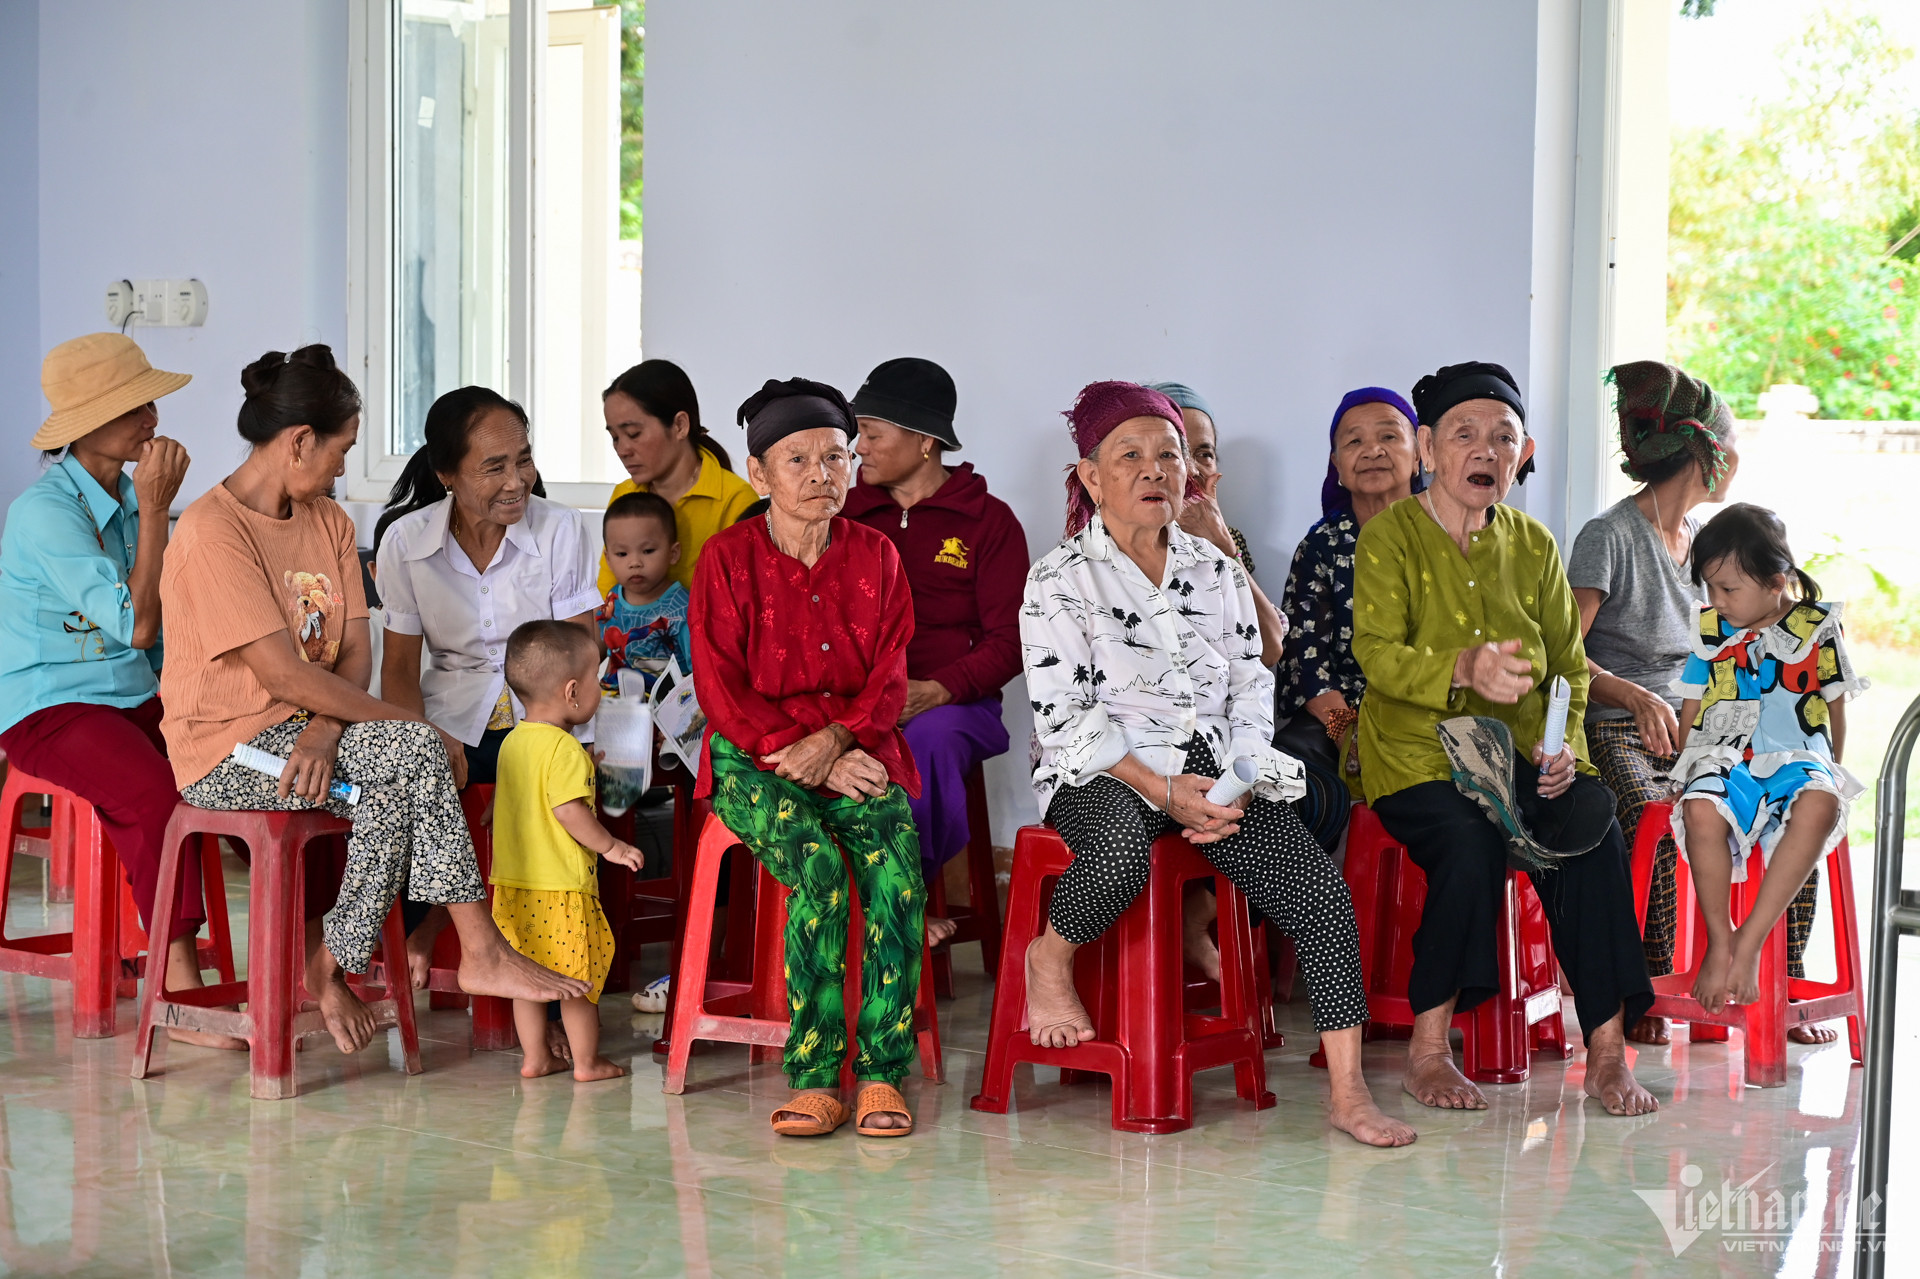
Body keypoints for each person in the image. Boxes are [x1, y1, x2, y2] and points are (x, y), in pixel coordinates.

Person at [158, 346, 587, 1055]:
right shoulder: (213, 532)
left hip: (311, 735)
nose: (342, 471)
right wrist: (410, 727)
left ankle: (328, 965)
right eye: (342, 451)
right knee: (417, 749)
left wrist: (327, 725)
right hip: (230, 749)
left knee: (400, 782)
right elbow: (282, 674)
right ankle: (470, 949)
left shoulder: (328, 521)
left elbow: (356, 653)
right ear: (301, 441)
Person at [1020, 380, 1413, 1148]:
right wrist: (1162, 789)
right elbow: (1067, 716)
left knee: (1321, 897)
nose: (1153, 469)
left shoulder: (1215, 569)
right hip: (1104, 769)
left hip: (1211, 769)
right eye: (1129, 456)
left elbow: (1250, 684)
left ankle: (1349, 1091)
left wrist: (1238, 775)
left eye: (1168, 455)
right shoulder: (1058, 579)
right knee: (1120, 849)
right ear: (1091, 477)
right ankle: (1050, 955)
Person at [1354, 360, 1657, 1117]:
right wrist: (1461, 668)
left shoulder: (1535, 545)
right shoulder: (1389, 537)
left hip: (1522, 759)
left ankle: (1608, 1052)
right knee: (1470, 839)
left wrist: (1563, 751)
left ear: (1523, 455)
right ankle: (1429, 1051)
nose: (1485, 451)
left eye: (1503, 437)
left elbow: (1569, 669)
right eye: (1465, 434)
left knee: (1594, 830)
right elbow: (1376, 654)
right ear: (1428, 449)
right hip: (1418, 757)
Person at [691, 378, 925, 1139]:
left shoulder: (877, 555)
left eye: (836, 457)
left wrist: (838, 742)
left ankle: (883, 1072)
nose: (822, 474)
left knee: (895, 869)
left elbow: (889, 676)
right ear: (759, 474)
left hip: (853, 745)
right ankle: (818, 1076)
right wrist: (802, 750)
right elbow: (720, 688)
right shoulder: (726, 559)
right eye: (798, 460)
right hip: (754, 757)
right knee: (818, 867)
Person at [1566, 362, 1825, 1047]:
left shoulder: (1713, 542)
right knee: (1653, 816)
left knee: (1793, 800)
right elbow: (1562, 652)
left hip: (1701, 724)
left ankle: (1778, 979)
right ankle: (1648, 987)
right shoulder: (1608, 536)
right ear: (1707, 450)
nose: (1737, 458)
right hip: (1619, 722)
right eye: (1731, 443)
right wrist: (1631, 694)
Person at [0, 334, 237, 1048]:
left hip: (135, 695)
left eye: (150, 402)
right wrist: (161, 510)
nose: (153, 417)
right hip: (51, 705)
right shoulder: (46, 513)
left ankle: (315, 954)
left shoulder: (131, 499)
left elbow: (163, 638)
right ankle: (177, 989)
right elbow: (137, 625)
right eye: (135, 406)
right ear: (87, 423)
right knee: (155, 794)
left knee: (255, 757)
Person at [371, 386, 601, 996]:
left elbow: (581, 653)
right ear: (446, 474)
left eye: (523, 460)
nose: (516, 481)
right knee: (404, 786)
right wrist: (422, 739)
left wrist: (559, 743)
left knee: (546, 791)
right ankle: (418, 935)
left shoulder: (561, 530)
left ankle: (545, 992)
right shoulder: (406, 542)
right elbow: (400, 671)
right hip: (451, 714)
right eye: (493, 467)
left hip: (546, 715)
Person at [842, 357, 1028, 944]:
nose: (858, 448)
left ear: (925, 441)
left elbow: (1011, 642)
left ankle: (899, 894)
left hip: (954, 705)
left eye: (872, 434)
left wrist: (938, 690)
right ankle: (843, 900)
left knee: (929, 742)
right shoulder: (846, 515)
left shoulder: (988, 522)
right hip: (858, 697)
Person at [1671, 504, 1865, 1015]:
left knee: (1821, 803)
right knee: (1701, 808)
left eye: (1728, 589)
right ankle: (1721, 939)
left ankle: (1751, 939)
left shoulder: (1817, 628)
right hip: (1725, 755)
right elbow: (1692, 703)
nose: (1717, 600)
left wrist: (1830, 769)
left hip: (1797, 757)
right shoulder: (1710, 630)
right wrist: (1686, 765)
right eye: (1710, 588)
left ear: (1777, 582)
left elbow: (1835, 708)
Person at [491, 620, 647, 1082]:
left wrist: (584, 768)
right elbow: (568, 811)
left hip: (514, 887)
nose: (601, 688)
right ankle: (587, 1062)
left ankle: (536, 1057)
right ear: (573, 692)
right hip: (560, 889)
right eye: (597, 679)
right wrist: (611, 846)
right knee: (576, 980)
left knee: (528, 979)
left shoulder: (513, 742)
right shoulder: (565, 749)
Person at [1275, 387, 1423, 828]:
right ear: (1336, 465)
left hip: (1429, 706)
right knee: (1287, 774)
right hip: (1342, 710)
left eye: (1389, 436)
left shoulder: (1446, 538)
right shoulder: (1322, 544)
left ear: (1421, 454)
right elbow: (1305, 657)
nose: (1372, 450)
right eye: (1354, 441)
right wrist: (1348, 732)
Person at [1145, 383, 1287, 667]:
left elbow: (1269, 651)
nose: (1191, 469)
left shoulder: (1229, 539)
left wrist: (1223, 546)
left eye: (1204, 454)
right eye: (1171, 452)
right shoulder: (1105, 546)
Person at [598, 359, 758, 596]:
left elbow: (743, 601)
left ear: (680, 426)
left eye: (633, 434)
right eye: (615, 437)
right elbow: (606, 595)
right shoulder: (625, 494)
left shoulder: (735, 500)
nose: (622, 450)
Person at [596, 490, 693, 692]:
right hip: (613, 699)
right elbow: (596, 648)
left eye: (648, 551)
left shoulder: (683, 606)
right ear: (608, 559)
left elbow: (698, 672)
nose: (635, 562)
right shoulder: (612, 599)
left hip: (667, 703)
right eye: (622, 553)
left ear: (673, 553)